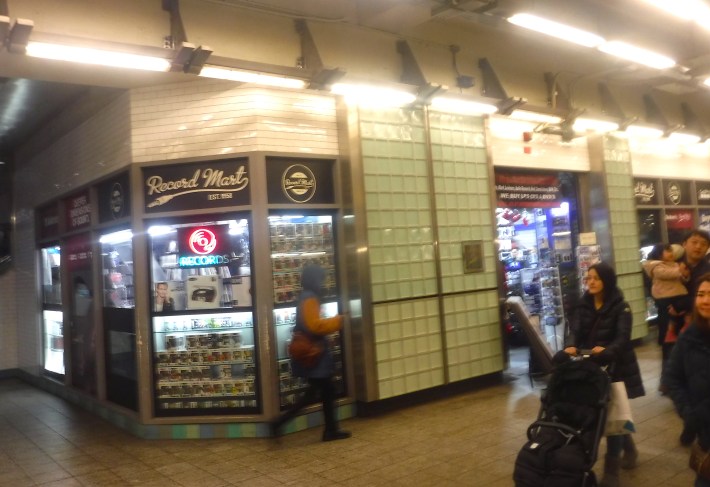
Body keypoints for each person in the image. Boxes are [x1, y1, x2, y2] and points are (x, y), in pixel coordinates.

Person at [563, 262, 645, 487]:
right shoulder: (582, 306)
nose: (590, 282)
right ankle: (630, 448)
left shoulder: (621, 307)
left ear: (606, 281)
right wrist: (570, 345)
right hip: (589, 367)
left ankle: (612, 470)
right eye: (588, 278)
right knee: (610, 414)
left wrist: (609, 351)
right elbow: (575, 331)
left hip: (616, 367)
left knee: (613, 413)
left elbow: (622, 337)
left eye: (596, 278)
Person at [272, 264, 350, 442]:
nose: (323, 282)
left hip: (315, 352)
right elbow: (313, 325)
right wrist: (338, 321)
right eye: (321, 279)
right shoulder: (310, 298)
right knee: (322, 391)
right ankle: (328, 430)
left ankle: (328, 429)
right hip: (315, 352)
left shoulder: (307, 296)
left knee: (319, 392)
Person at [666, 272, 710, 487]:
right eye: (701, 294)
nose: (706, 300)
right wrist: (689, 413)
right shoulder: (689, 337)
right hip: (706, 432)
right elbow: (672, 378)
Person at [643, 243, 690, 393]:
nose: (671, 254)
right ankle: (667, 381)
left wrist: (684, 274)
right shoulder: (656, 265)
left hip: (679, 303)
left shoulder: (674, 265)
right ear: (658, 253)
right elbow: (667, 274)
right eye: (667, 251)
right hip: (667, 305)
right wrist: (679, 270)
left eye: (671, 251)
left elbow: (682, 279)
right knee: (669, 342)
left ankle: (675, 380)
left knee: (678, 340)